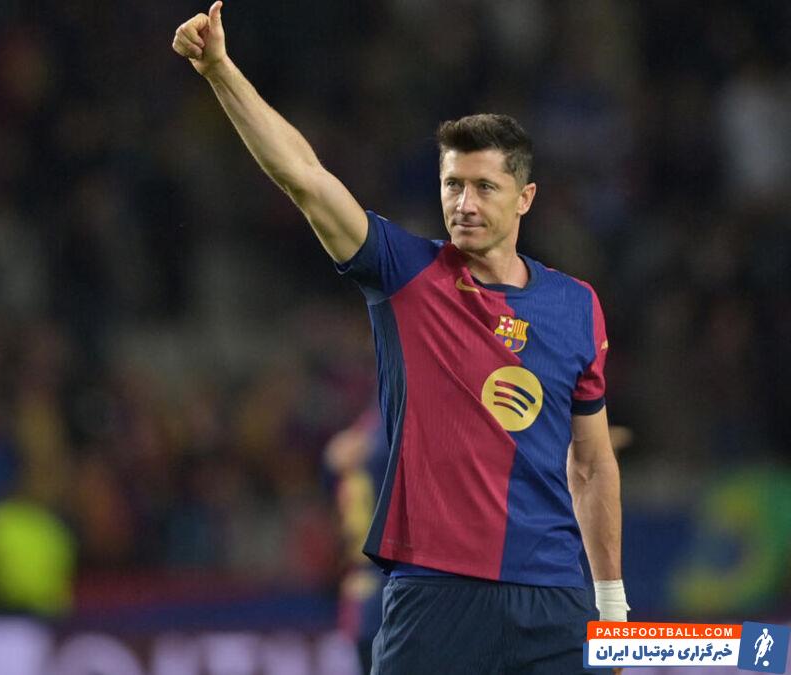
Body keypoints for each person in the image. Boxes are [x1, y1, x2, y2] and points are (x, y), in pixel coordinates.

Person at [172, 4, 628, 673]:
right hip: (435, 596)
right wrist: (219, 71)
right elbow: (306, 178)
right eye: (453, 185)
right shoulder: (406, 274)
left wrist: (611, 603)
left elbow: (591, 464)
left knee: (755, 653)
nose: (465, 204)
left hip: (555, 601)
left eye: (485, 187)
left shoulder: (577, 306)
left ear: (525, 198)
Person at [324, 403, 391, 675]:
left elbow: (334, 455)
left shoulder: (363, 434)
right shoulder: (382, 432)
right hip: (383, 576)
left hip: (364, 581)